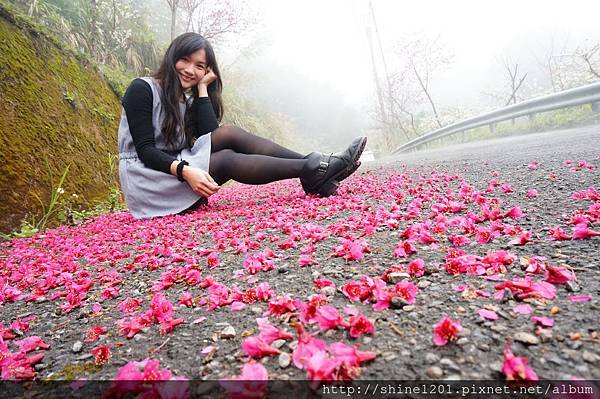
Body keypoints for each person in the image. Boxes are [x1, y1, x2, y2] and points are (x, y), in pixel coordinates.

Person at [118, 32, 367, 219]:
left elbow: (209, 135)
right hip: (149, 181)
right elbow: (145, 151)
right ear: (171, 57)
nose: (190, 70)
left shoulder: (185, 98)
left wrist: (203, 88)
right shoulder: (142, 89)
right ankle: (317, 168)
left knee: (229, 134)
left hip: (176, 168)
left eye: (200, 66)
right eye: (184, 60)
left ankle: (315, 166)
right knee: (225, 159)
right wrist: (186, 171)